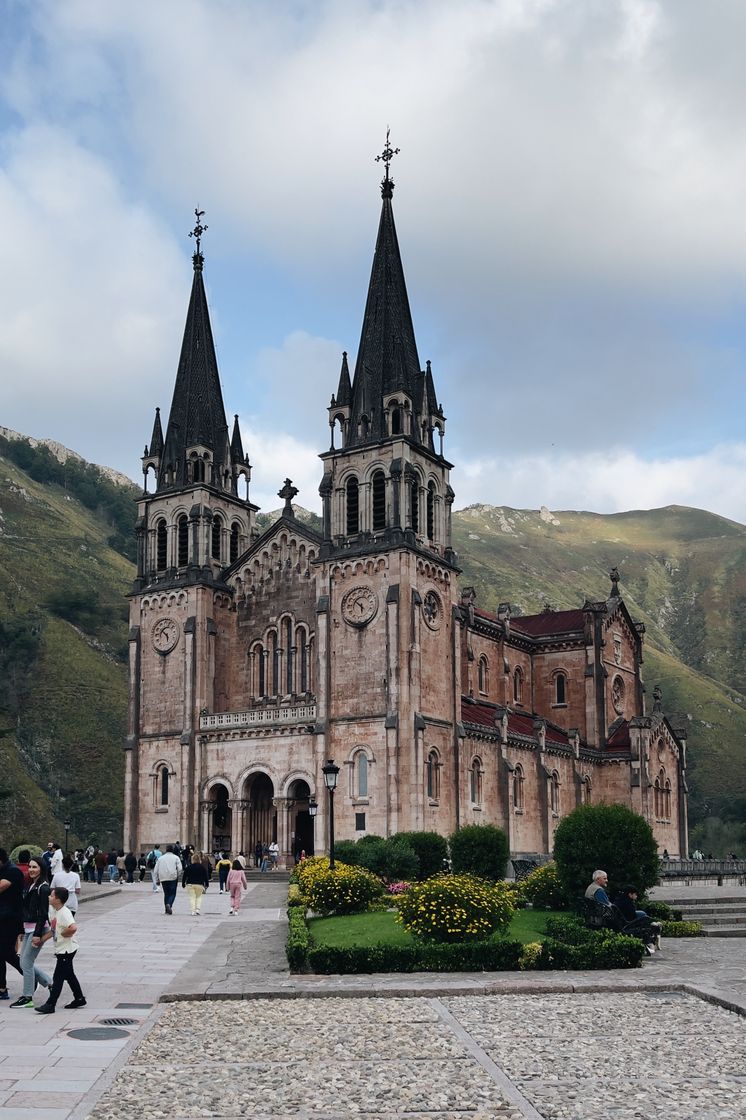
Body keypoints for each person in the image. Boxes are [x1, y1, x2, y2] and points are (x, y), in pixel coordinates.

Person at [35, 886, 86, 1013]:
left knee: (58, 977)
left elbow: (73, 927)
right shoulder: (53, 910)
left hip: (67, 950)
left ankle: (50, 1004)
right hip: (61, 949)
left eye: (52, 896)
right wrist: (42, 939)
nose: (49, 897)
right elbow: (53, 930)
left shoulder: (64, 912)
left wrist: (64, 934)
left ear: (57, 899)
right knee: (69, 975)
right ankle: (79, 998)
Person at [13, 856, 52, 1008]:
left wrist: (37, 935)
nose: (31, 870)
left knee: (26, 963)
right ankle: (49, 983)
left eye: (35, 867)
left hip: (38, 928)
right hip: (29, 927)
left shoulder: (43, 887)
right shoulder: (32, 885)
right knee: (24, 962)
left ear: (41, 868)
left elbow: (43, 913)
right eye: (30, 867)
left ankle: (27, 996)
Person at [0, 848, 24, 1001]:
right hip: (2, 918)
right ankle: (1, 988)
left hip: (10, 919)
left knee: (7, 952)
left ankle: (32, 976)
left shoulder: (12, 871)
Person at [613, 885, 662, 955]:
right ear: (630, 894)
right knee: (644, 917)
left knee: (642, 914)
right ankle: (651, 938)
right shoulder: (627, 903)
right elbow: (632, 916)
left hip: (621, 921)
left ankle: (653, 925)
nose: (636, 896)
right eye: (635, 894)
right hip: (627, 923)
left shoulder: (619, 900)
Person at [154, 845, 182, 915]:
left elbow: (155, 870)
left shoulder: (160, 858)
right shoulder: (176, 857)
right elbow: (180, 868)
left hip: (163, 878)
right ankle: (169, 904)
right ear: (172, 850)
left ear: (166, 850)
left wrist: (157, 879)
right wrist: (177, 875)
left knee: (166, 893)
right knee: (172, 893)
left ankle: (166, 909)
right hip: (173, 877)